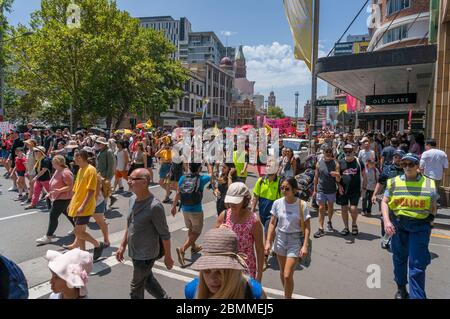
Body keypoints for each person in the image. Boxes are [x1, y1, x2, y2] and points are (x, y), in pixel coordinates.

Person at [381, 153, 438, 299]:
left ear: (418, 166)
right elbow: (385, 201)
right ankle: (401, 289)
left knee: (417, 264)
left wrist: (430, 221)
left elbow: (433, 205)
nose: (407, 167)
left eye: (411, 164)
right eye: (404, 164)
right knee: (399, 259)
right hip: (399, 226)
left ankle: (417, 296)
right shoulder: (393, 182)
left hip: (420, 227)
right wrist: (387, 221)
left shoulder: (429, 183)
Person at [116, 168, 174, 299]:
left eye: (133, 179)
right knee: (147, 280)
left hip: (146, 255)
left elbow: (165, 234)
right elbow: (130, 224)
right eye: (129, 178)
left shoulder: (155, 206)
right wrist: (122, 245)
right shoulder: (132, 199)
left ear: (145, 182)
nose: (129, 181)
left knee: (135, 289)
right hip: (135, 251)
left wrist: (168, 257)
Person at [185, 228, 266, 299]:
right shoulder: (192, 291)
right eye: (206, 270)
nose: (212, 279)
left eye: (221, 271)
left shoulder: (254, 292)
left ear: (233, 270)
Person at [265, 178, 311, 299]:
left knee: (287, 275)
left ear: (294, 190)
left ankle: (287, 298)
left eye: (287, 188)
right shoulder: (277, 203)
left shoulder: (302, 205)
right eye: (282, 188)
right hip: (280, 237)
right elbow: (272, 223)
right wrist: (268, 242)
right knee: (282, 272)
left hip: (295, 240)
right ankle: (287, 294)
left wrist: (305, 245)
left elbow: (307, 227)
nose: (284, 190)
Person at [216, 183, 265, 282]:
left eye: (236, 201)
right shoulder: (224, 215)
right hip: (225, 267)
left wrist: (259, 275)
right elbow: (213, 241)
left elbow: (260, 249)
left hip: (246, 269)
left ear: (245, 200)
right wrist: (219, 231)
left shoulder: (254, 221)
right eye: (230, 201)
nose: (232, 204)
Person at [65, 150, 106, 261]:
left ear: (80, 158)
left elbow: (91, 191)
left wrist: (83, 206)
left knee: (78, 232)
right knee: (80, 231)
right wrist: (71, 203)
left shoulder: (91, 170)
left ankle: (98, 244)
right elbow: (75, 189)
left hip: (85, 206)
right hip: (77, 204)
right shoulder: (80, 170)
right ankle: (83, 254)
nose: (73, 159)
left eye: (75, 157)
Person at [171, 163, 210, 267]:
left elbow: (178, 193)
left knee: (191, 229)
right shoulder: (201, 179)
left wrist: (174, 206)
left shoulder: (183, 178)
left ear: (189, 168)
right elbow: (211, 175)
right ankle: (182, 248)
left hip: (185, 208)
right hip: (196, 209)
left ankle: (194, 247)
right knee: (197, 232)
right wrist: (209, 165)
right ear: (199, 168)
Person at [36, 155, 75, 245]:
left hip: (64, 198)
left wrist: (58, 191)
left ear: (58, 163)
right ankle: (77, 228)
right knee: (68, 214)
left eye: (53, 163)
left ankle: (48, 236)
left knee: (53, 216)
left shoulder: (66, 172)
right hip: (57, 197)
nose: (52, 164)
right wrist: (50, 193)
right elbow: (54, 184)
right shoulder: (58, 170)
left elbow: (71, 186)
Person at [372, 150, 405, 249]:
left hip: (402, 200)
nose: (397, 159)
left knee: (397, 221)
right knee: (385, 220)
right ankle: (386, 237)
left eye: (399, 157)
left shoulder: (406, 169)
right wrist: (374, 194)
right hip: (387, 199)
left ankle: (392, 240)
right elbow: (380, 183)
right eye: (396, 157)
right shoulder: (387, 169)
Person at [251, 160, 282, 267]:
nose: (268, 168)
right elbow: (255, 196)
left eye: (271, 166)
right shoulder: (260, 181)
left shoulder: (280, 183)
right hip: (262, 213)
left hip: (273, 215)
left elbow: (283, 200)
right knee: (271, 233)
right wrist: (252, 210)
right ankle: (277, 247)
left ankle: (264, 259)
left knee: (266, 234)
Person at [337, 144, 366, 236]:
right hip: (343, 190)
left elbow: (364, 176)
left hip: (355, 189)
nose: (348, 153)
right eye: (346, 151)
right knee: (344, 208)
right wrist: (338, 185)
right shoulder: (340, 162)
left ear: (354, 151)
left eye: (350, 151)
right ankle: (346, 227)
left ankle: (354, 223)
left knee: (353, 208)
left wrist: (364, 188)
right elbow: (337, 177)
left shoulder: (359, 162)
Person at [313, 145, 340, 238]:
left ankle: (329, 220)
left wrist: (337, 174)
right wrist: (314, 190)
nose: (328, 153)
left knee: (330, 207)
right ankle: (321, 228)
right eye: (326, 151)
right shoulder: (319, 163)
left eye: (329, 151)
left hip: (331, 189)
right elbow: (316, 177)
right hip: (321, 189)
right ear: (323, 152)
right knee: (321, 208)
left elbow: (338, 179)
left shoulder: (335, 163)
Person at [95, 137, 116, 208]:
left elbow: (111, 166)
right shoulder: (101, 150)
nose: (97, 144)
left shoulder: (108, 151)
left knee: (105, 192)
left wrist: (108, 178)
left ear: (103, 144)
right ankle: (111, 198)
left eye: (99, 143)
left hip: (105, 176)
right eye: (97, 143)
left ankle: (104, 207)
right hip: (100, 174)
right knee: (102, 191)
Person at [155, 139, 173, 203]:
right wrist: (161, 148)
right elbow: (156, 155)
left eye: (166, 144)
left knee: (168, 183)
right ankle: (168, 192)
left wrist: (170, 170)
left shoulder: (172, 151)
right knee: (160, 182)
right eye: (165, 144)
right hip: (163, 167)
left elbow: (171, 161)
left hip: (169, 167)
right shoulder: (163, 151)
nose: (165, 145)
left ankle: (167, 197)